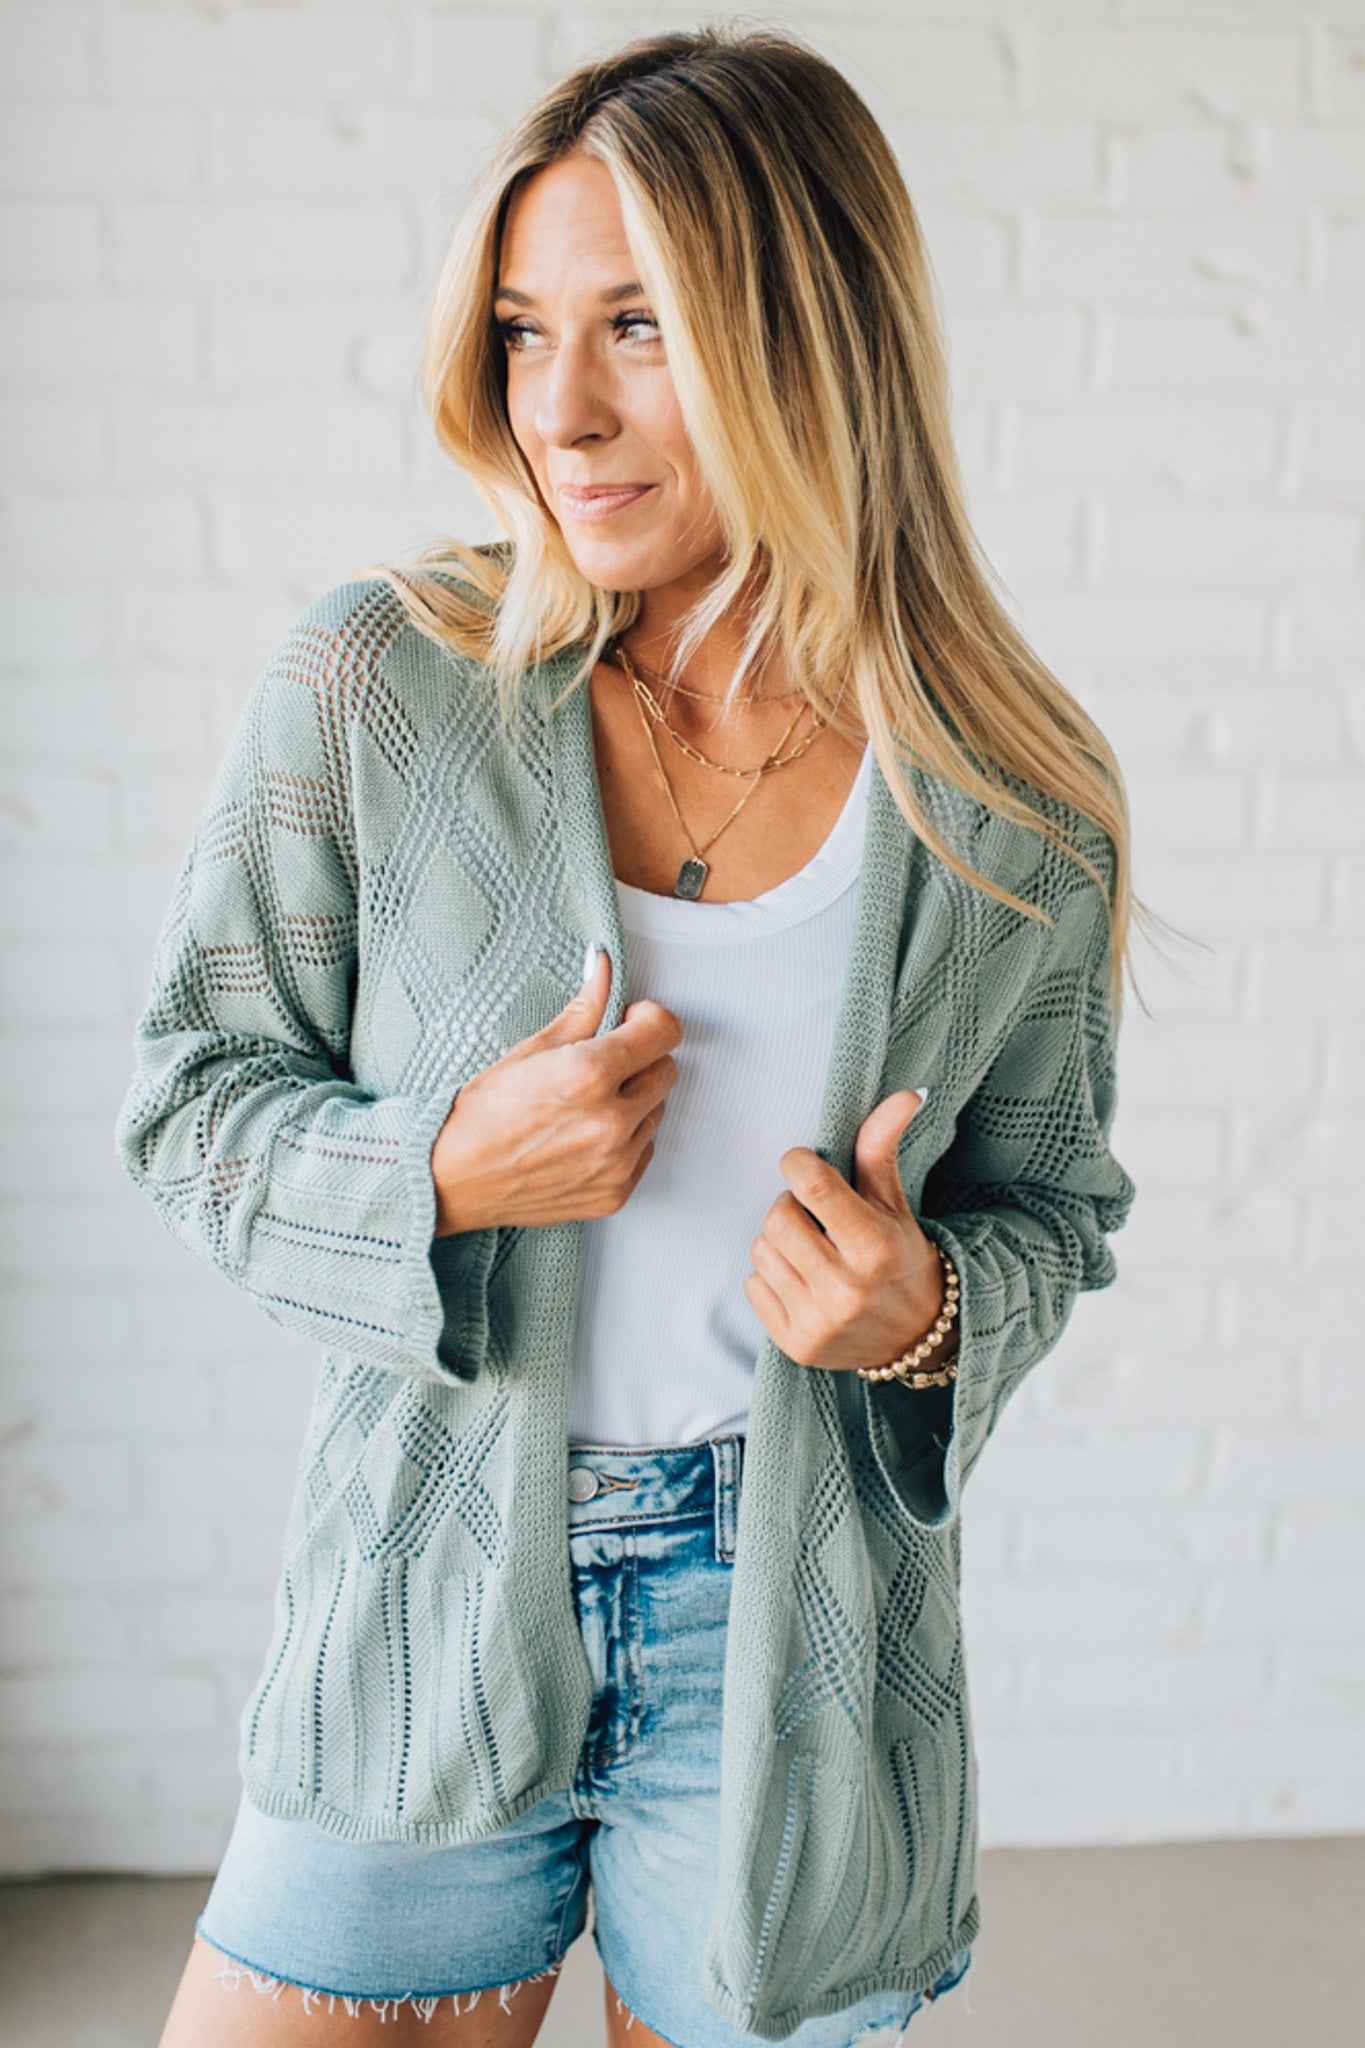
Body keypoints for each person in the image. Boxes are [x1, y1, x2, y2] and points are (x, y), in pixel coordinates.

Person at [117, 24, 1137, 2048]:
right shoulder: (374, 685)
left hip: (790, 1638)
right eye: (516, 330)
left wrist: (922, 1312)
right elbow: (188, 1105)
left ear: (807, 341)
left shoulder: (1011, 806)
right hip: (425, 1585)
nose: (554, 411)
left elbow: (1051, 1210)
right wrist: (434, 1168)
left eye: (637, 329)